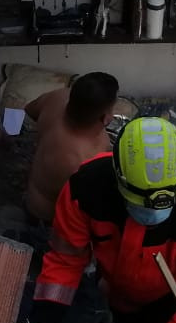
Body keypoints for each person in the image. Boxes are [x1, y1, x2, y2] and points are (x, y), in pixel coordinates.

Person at [31, 116, 176, 323]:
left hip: (165, 302)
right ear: (119, 179)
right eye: (141, 205)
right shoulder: (85, 189)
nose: (152, 216)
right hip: (111, 290)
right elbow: (65, 260)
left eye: (161, 206)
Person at [24, 72, 119, 224]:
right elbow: (96, 209)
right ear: (106, 118)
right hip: (47, 219)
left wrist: (9, 133)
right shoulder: (80, 162)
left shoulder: (58, 98)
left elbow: (28, 110)